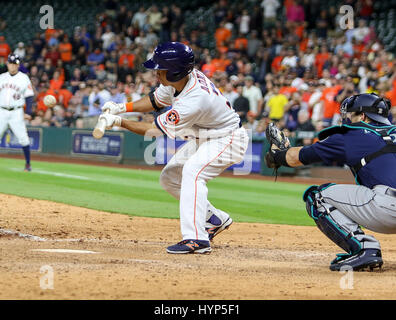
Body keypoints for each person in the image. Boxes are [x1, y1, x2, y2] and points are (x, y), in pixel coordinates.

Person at [99, 42, 249, 254]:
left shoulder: (194, 100)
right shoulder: (180, 79)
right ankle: (214, 219)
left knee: (193, 172)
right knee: (169, 177)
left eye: (160, 70)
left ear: (175, 71)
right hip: (206, 136)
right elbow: (155, 100)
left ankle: (196, 239)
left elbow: (153, 130)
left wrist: (118, 122)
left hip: (228, 139)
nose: (156, 74)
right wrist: (122, 108)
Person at [265, 93, 396, 271]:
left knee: (318, 197)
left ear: (363, 116)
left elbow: (296, 158)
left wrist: (276, 155)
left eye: (351, 114)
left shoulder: (354, 135)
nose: (347, 118)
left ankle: (365, 248)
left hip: (388, 208)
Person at [0, 54, 34, 171]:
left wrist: (28, 111)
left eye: (15, 64)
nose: (13, 66)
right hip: (2, 111)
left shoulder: (24, 78)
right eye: (11, 63)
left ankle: (28, 164)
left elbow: (29, 96)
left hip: (16, 112)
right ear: (7, 64)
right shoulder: (2, 77)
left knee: (23, 138)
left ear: (18, 65)